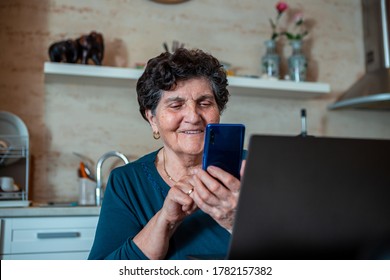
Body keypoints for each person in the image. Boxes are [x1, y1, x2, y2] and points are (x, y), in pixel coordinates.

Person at [88, 48, 245, 260]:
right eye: (176, 105)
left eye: (204, 103)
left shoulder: (256, 168)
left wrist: (239, 221)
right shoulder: (127, 182)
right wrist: (165, 220)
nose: (193, 116)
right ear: (153, 119)